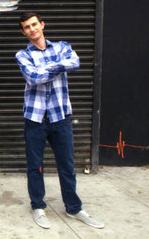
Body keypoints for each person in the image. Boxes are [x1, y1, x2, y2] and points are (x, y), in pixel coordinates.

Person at [15, 12, 104, 229]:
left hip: (60, 116)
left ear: (42, 24)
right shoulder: (22, 55)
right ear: (23, 31)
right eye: (27, 27)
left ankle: (74, 208)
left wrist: (45, 69)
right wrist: (58, 66)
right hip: (35, 118)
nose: (32, 29)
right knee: (35, 166)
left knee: (67, 164)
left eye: (34, 24)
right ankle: (38, 206)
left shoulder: (62, 46)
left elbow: (74, 62)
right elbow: (33, 78)